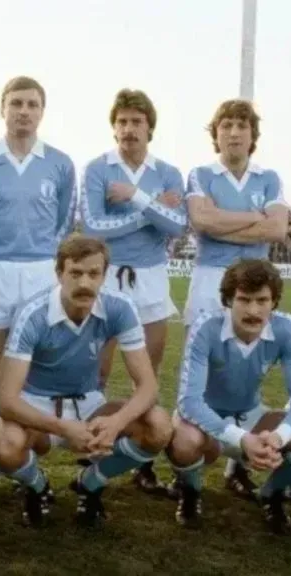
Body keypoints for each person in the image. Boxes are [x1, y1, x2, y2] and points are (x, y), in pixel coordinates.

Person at [0, 235, 172, 527]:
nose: (85, 283)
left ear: (104, 275)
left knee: (159, 425)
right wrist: (63, 428)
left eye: (93, 273)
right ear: (59, 273)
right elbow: (6, 401)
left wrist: (116, 422)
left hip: (89, 404)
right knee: (5, 442)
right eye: (75, 273)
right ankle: (37, 486)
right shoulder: (33, 314)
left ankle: (91, 482)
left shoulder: (120, 308)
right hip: (38, 406)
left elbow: (148, 386)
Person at [0, 76, 77, 503]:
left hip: (40, 274)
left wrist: (41, 260)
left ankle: (23, 459)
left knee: (31, 379)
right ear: (2, 108)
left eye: (32, 104)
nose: (24, 111)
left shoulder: (60, 164)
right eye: (16, 103)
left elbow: (62, 221)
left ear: (42, 112)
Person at [166, 259, 291, 533]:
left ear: (274, 301)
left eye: (262, 300)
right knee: (185, 441)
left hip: (252, 416)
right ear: (228, 300)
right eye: (244, 299)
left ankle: (271, 492)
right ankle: (191, 492)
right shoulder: (206, 328)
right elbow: (189, 402)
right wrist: (242, 439)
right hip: (208, 419)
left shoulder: (286, 329)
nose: (254, 310)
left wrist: (278, 437)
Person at [78, 88, 187, 493]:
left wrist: (136, 197)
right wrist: (153, 209)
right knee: (98, 372)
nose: (128, 129)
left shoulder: (169, 172)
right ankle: (92, 448)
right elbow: (93, 227)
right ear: (114, 128)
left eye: (136, 122)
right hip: (107, 278)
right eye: (121, 122)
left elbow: (177, 226)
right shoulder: (97, 169)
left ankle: (144, 458)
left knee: (148, 373)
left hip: (152, 277)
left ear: (150, 128)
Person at [183, 99, 289, 498]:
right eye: (225, 125)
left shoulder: (269, 177)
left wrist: (226, 222)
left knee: (248, 370)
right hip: (210, 280)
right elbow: (202, 221)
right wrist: (254, 221)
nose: (233, 132)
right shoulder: (201, 174)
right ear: (216, 133)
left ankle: (237, 463)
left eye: (241, 125)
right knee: (204, 371)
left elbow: (278, 230)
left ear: (252, 135)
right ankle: (189, 464)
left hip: (255, 284)